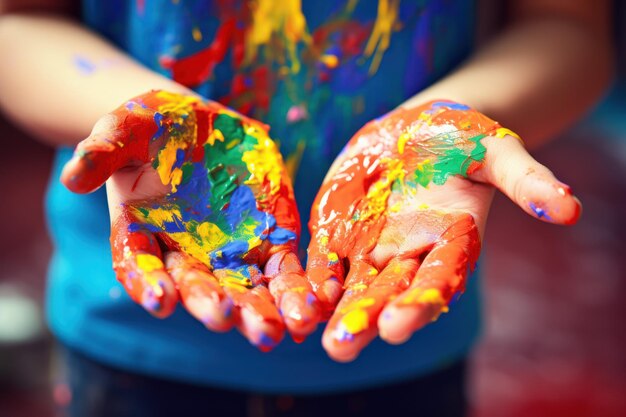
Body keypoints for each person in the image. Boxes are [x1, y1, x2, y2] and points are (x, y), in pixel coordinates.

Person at [0, 0, 613, 416]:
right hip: (132, 332)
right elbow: (19, 25)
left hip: (401, 326)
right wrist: (140, 116)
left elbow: (567, 26)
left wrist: (443, 124)